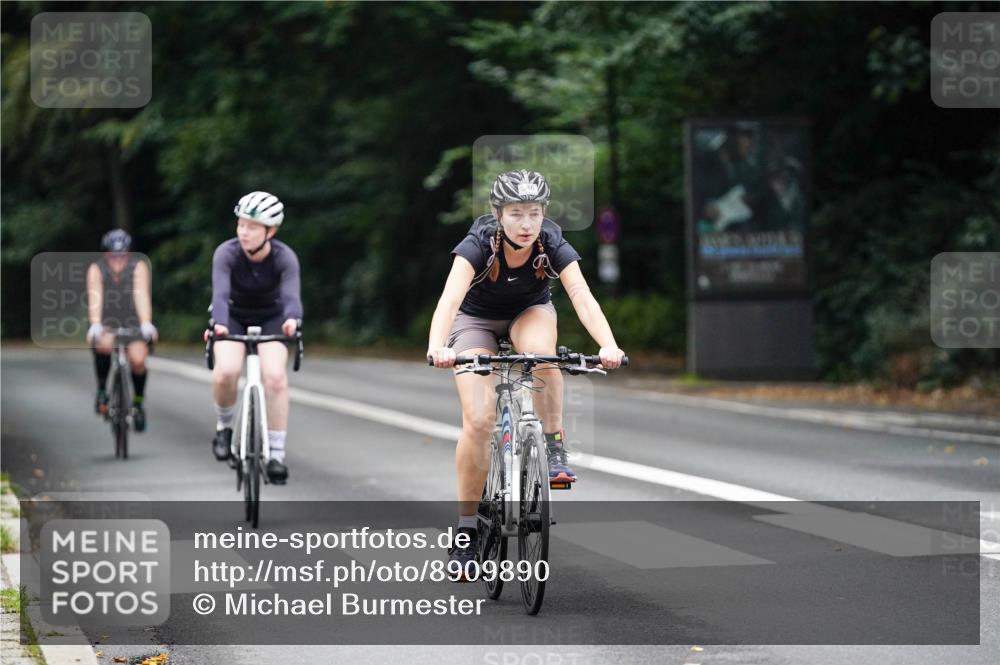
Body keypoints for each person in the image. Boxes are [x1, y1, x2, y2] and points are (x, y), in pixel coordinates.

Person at [426, 169, 625, 576]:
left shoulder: (550, 241)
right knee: (479, 421)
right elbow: (449, 300)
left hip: (527, 313)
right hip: (474, 321)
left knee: (542, 355)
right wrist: (438, 345)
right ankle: (466, 531)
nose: (526, 223)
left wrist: (608, 344)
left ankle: (553, 445)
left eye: (534, 213)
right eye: (516, 213)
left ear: (544, 213)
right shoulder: (478, 244)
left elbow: (581, 296)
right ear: (498, 214)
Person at [209, 191, 302, 485]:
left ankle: (275, 455)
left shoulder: (284, 257)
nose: (243, 232)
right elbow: (220, 295)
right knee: (226, 371)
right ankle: (224, 427)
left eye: (252, 226)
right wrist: (220, 325)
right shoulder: (226, 253)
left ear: (270, 231)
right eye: (241, 225)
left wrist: (292, 321)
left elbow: (291, 297)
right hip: (232, 316)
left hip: (271, 317)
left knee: (275, 377)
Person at [86, 229, 158, 431]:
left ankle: (138, 401)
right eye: (112, 255)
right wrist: (95, 323)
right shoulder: (97, 269)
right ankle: (102, 389)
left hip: (133, 319)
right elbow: (95, 297)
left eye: (122, 254)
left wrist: (145, 322)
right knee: (103, 344)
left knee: (137, 359)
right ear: (106, 253)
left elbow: (141, 294)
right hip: (107, 318)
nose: (117, 259)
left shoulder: (138, 266)